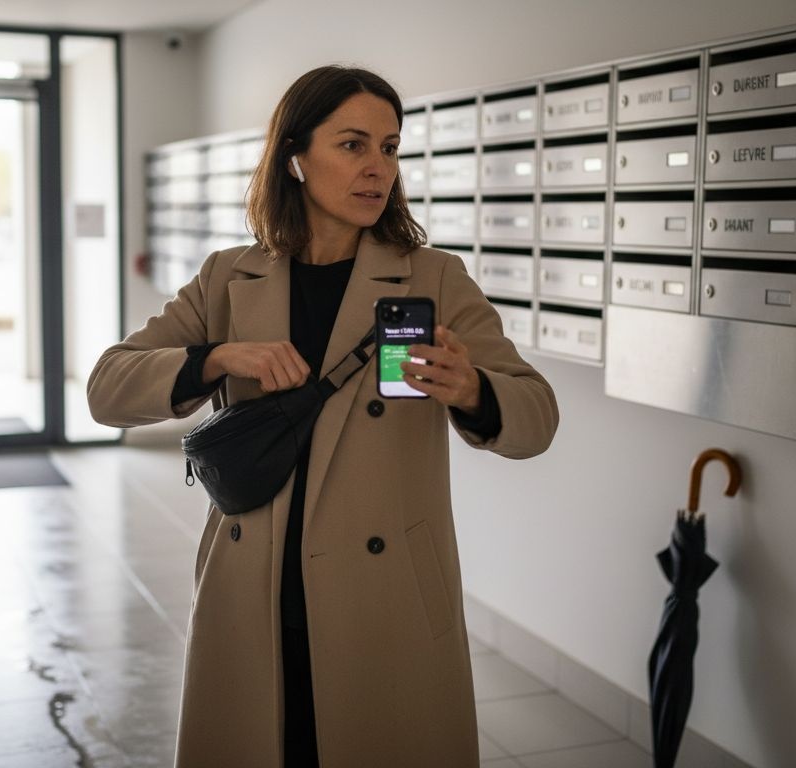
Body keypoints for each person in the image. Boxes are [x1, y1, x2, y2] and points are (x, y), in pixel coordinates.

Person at [87, 65, 559, 768]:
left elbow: (537, 415)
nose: (377, 168)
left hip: (386, 592)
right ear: (295, 158)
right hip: (255, 586)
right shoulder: (229, 279)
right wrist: (217, 358)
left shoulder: (432, 277)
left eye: (391, 148)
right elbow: (107, 388)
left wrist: (471, 389)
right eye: (353, 145)